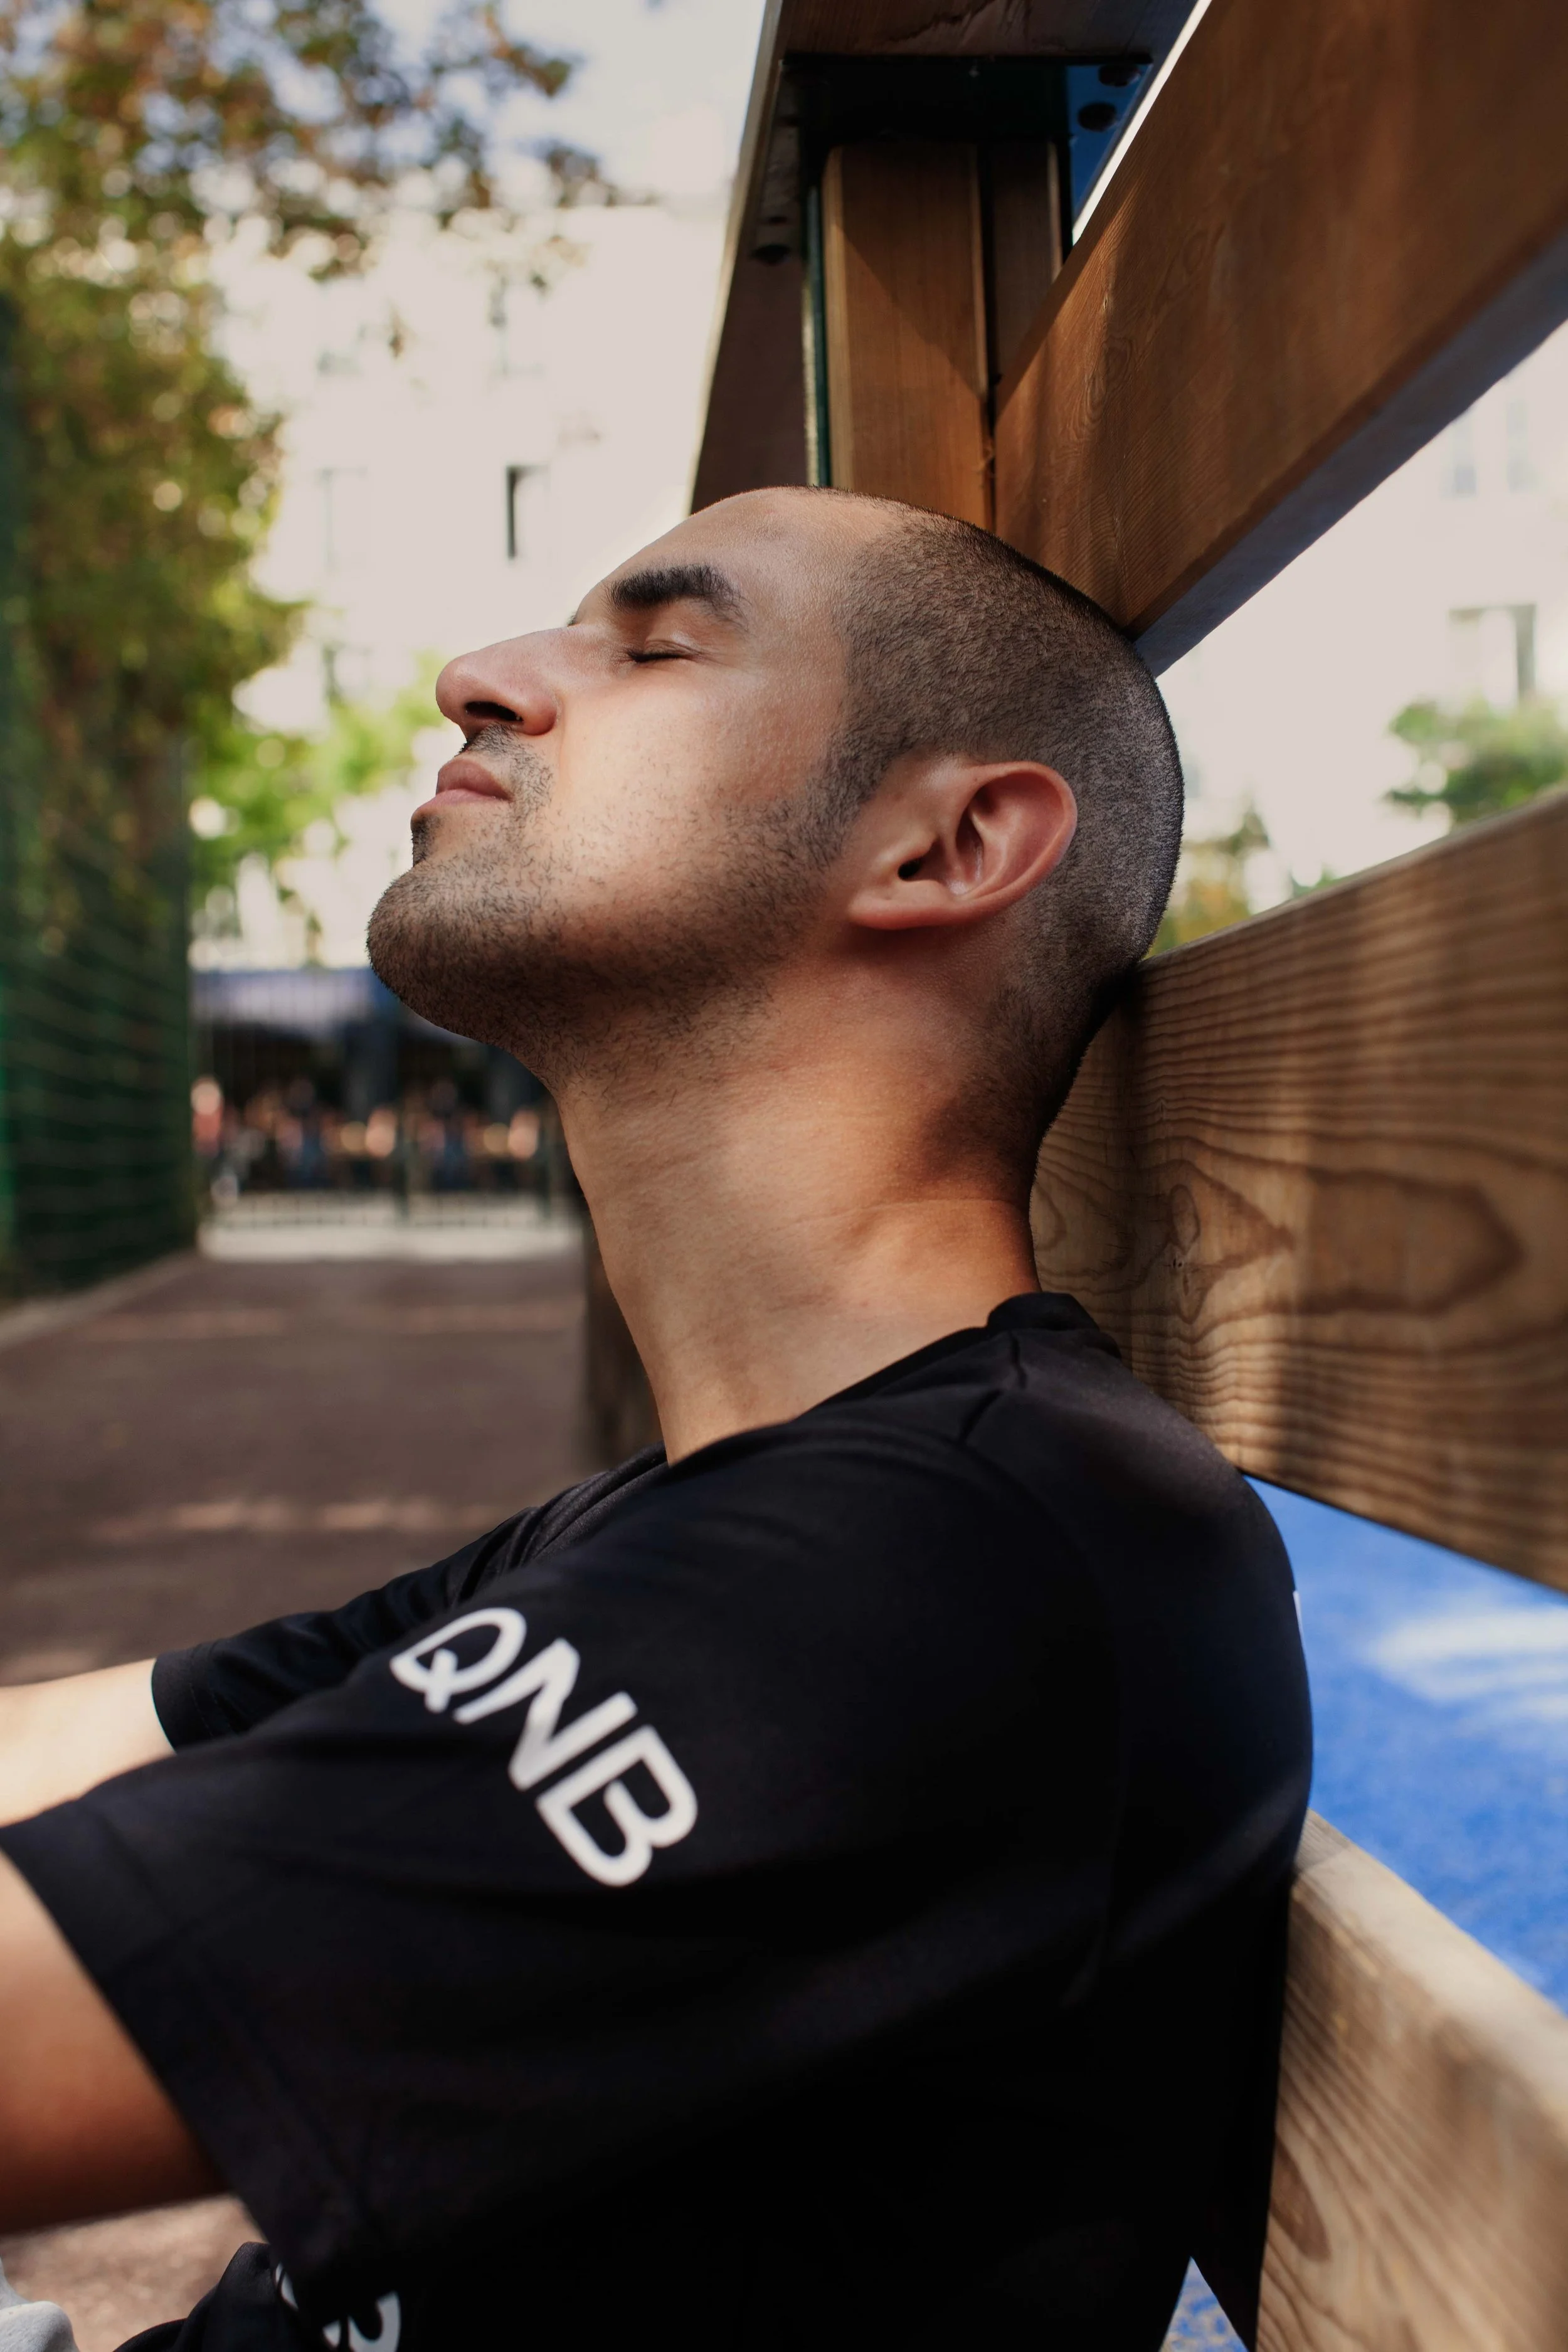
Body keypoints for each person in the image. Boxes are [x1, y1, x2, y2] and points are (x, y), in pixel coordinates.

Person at [0, 489, 1310, 2352]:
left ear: (950, 842)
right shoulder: (702, 1521)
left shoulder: (938, 1575)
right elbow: (82, 1748)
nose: (480, 678)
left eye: (652, 645)